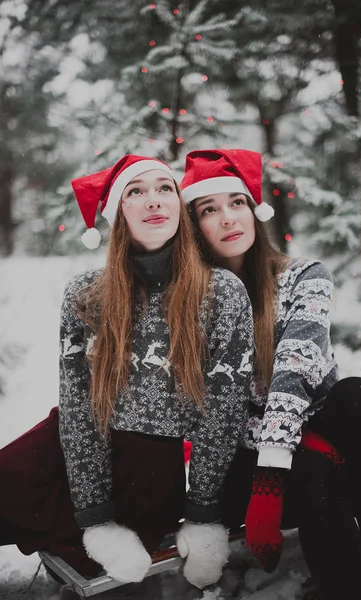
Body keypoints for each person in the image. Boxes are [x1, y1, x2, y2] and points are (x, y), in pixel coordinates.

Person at [0, 154, 255, 590]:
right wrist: (96, 517)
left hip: (151, 464)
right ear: (119, 212)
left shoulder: (222, 292)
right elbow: (78, 404)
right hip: (78, 449)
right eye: (136, 192)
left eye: (164, 189)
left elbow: (225, 412)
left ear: (178, 205)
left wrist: (203, 513)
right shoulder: (88, 292)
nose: (153, 201)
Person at [181, 148, 361, 600]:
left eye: (237, 202)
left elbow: (296, 371)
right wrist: (279, 466)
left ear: (254, 210)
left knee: (356, 394)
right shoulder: (192, 304)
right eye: (210, 209)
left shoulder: (304, 277)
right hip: (236, 462)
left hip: (295, 439)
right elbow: (213, 414)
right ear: (194, 227)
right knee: (316, 468)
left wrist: (280, 463)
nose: (228, 218)